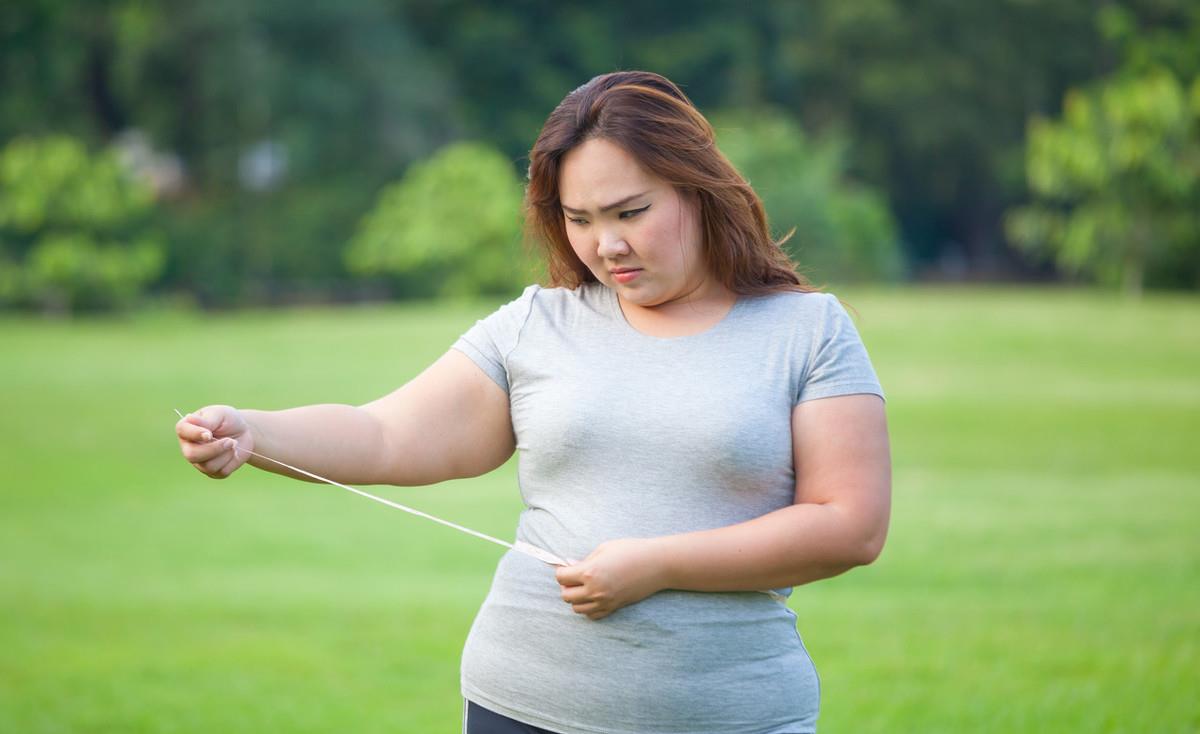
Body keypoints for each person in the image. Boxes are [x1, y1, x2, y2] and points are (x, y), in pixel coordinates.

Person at [176, 70, 891, 734]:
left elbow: (850, 525)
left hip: (737, 714)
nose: (606, 245)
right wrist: (253, 432)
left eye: (631, 212)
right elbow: (383, 433)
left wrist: (658, 564)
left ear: (697, 188)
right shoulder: (536, 325)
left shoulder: (807, 331)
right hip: (521, 705)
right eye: (579, 219)